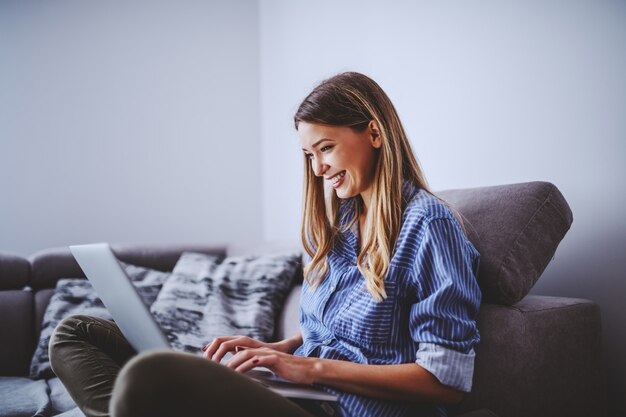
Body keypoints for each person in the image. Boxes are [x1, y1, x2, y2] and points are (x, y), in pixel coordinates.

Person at [49, 72, 481, 417]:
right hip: (302, 393)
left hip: (345, 409)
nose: (318, 169)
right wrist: (274, 351)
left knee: (150, 376)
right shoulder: (341, 222)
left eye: (325, 148)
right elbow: (330, 331)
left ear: (373, 133)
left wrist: (308, 370)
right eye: (309, 155)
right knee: (75, 333)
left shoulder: (429, 226)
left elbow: (445, 381)